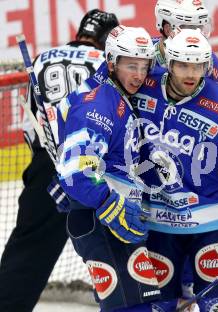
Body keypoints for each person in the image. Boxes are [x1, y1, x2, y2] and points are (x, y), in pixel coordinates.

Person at [131, 28, 218, 312]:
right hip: (158, 223)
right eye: (182, 65)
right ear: (168, 63)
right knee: (159, 304)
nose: (191, 74)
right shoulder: (142, 88)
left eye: (198, 66)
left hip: (213, 225)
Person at [0, 9, 118, 312]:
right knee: (115, 240)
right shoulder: (107, 63)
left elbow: (31, 123)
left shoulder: (41, 60)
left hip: (48, 165)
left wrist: (43, 162)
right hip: (95, 166)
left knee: (30, 245)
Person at [56, 25, 161, 311]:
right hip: (101, 221)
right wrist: (111, 205)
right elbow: (78, 173)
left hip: (110, 219)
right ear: (112, 62)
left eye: (144, 66)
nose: (139, 75)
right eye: (131, 65)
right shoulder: (98, 105)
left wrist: (151, 172)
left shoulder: (116, 98)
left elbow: (117, 163)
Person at [82, 0, 218, 96]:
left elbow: (210, 101)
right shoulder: (134, 52)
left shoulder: (209, 59)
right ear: (167, 29)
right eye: (189, 28)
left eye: (201, 27)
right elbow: (85, 94)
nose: (197, 35)